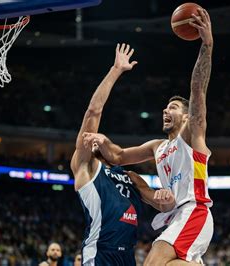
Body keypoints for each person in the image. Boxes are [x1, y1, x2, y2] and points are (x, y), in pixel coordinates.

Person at [82, 8, 214, 265]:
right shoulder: (157, 146)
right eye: (166, 106)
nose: (166, 110)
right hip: (176, 215)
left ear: (187, 117)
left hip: (194, 210)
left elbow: (197, 90)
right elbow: (118, 156)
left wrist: (207, 45)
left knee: (152, 262)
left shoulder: (191, 136)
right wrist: (102, 140)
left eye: (173, 107)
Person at [70, 43, 175, 266]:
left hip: (128, 256)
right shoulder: (86, 168)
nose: (96, 141)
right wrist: (116, 70)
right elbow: (93, 111)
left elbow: (162, 207)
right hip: (101, 252)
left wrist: (166, 198)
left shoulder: (131, 177)